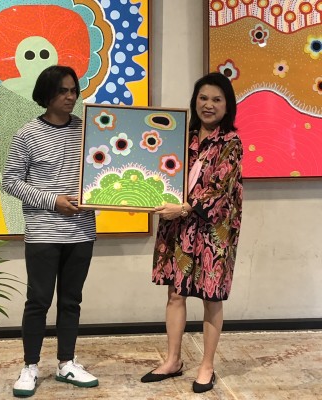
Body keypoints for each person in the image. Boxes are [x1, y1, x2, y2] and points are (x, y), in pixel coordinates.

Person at [141, 72, 243, 394]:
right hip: (178, 227)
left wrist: (183, 208)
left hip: (214, 232)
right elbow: (160, 172)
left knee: (212, 297)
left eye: (216, 99)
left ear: (227, 105)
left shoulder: (231, 142)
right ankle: (173, 360)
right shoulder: (180, 137)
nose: (208, 105)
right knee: (175, 293)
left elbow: (220, 190)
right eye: (203, 98)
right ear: (194, 101)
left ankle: (207, 366)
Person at [2, 65, 98, 397]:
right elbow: (11, 181)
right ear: (46, 94)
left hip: (82, 231)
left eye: (73, 90)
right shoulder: (27, 134)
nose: (70, 97)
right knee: (38, 301)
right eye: (62, 91)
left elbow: (103, 171)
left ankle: (66, 363)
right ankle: (30, 366)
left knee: (71, 301)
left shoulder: (88, 130)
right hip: (43, 232)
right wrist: (53, 201)